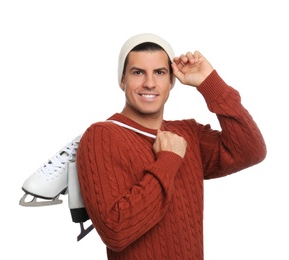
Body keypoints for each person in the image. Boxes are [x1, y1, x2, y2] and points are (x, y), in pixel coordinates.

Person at [76, 33, 267, 259]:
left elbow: (250, 151)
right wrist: (168, 161)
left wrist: (210, 83)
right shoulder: (102, 136)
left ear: (171, 81)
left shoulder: (187, 134)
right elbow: (116, 231)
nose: (149, 83)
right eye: (138, 72)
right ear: (122, 81)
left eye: (160, 72)